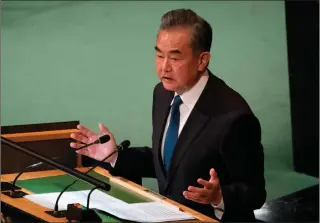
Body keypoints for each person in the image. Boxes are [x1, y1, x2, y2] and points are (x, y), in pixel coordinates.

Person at [70, 8, 266, 222]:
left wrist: (218, 196)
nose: (164, 67)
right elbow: (170, 163)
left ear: (202, 60)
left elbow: (255, 193)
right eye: (159, 55)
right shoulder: (163, 93)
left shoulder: (234, 117)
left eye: (174, 58)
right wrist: (116, 156)